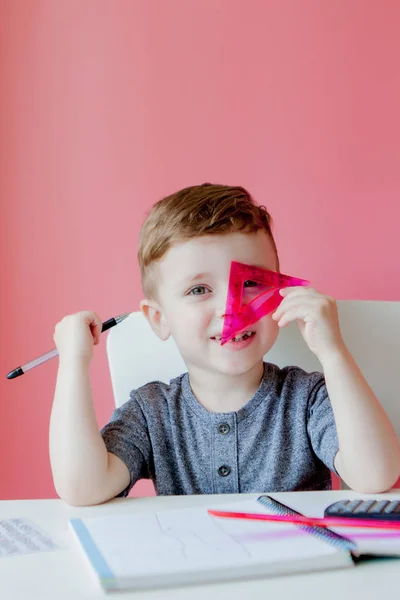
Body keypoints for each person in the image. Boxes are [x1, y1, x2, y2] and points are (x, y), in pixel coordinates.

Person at [49, 183, 400, 505]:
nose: (232, 309)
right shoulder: (151, 411)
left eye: (250, 283)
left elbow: (376, 475)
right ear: (159, 318)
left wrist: (333, 352)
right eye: (199, 290)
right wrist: (73, 363)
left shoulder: (307, 398)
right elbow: (83, 488)